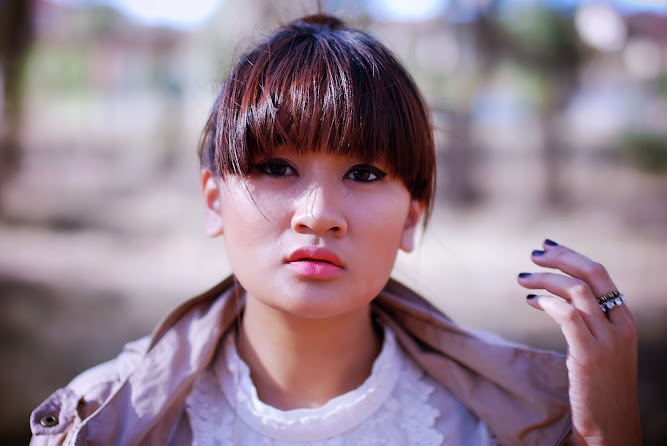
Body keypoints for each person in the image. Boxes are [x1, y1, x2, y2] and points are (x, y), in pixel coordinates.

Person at [29, 13, 641, 445]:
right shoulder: (103, 421)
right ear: (214, 201)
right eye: (276, 167)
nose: (319, 212)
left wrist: (608, 432)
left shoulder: (500, 426)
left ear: (413, 215)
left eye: (365, 172)